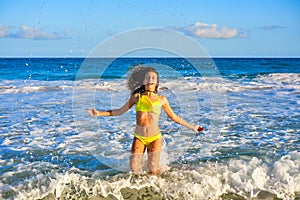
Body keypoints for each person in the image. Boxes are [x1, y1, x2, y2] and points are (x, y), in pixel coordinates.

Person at [87, 66, 204, 175]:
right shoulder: (137, 97)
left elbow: (175, 118)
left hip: (155, 137)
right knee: (134, 169)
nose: (150, 79)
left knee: (153, 171)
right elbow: (120, 111)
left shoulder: (162, 99)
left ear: (157, 82)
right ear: (143, 81)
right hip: (139, 137)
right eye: (148, 77)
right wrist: (98, 113)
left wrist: (192, 127)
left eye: (153, 78)